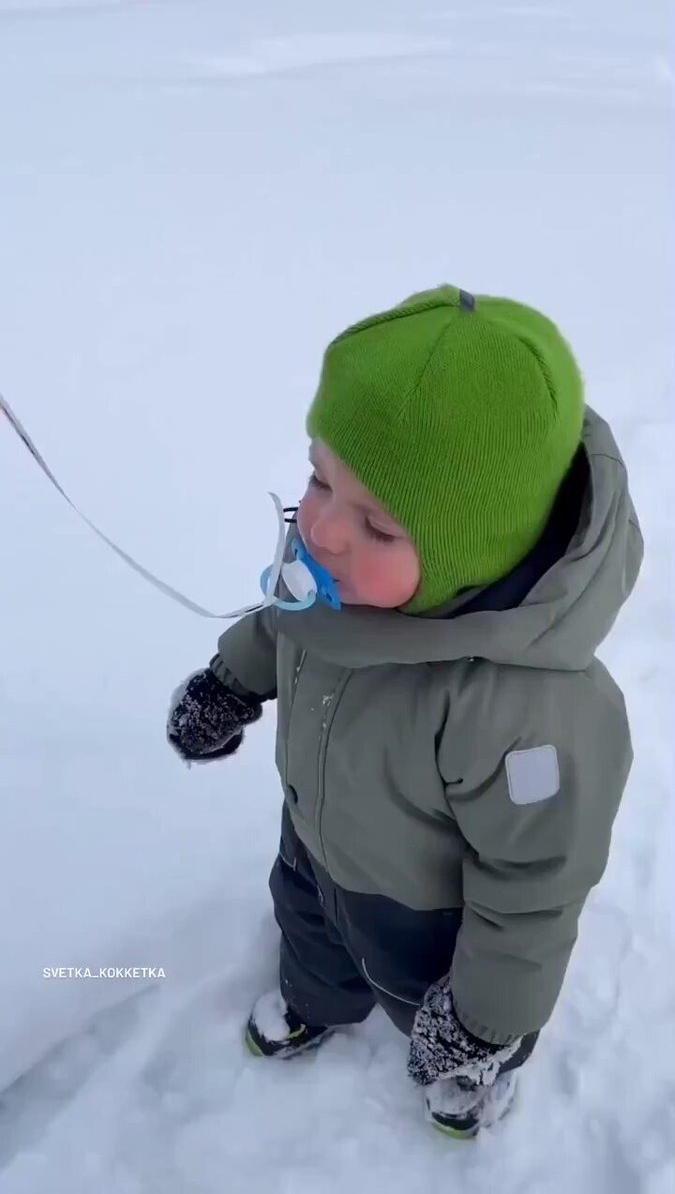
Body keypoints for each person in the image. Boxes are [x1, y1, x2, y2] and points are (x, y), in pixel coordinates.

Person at [167, 286, 643, 1138]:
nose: (323, 530)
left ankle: (468, 1067)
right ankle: (315, 1000)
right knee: (307, 926)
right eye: (319, 478)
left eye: (379, 526)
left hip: (425, 909)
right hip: (314, 836)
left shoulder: (527, 712)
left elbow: (531, 892)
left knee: (433, 997)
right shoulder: (336, 571)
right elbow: (284, 623)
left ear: (472, 554)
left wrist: (484, 1015)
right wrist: (230, 682)